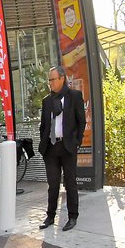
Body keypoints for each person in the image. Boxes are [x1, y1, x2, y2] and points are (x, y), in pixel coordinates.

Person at [38, 66, 86, 232]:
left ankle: (73, 216)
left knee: (70, 183)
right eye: (49, 80)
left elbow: (82, 121)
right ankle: (50, 216)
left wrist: (77, 142)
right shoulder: (47, 101)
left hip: (68, 147)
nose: (50, 83)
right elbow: (43, 125)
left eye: (52, 79)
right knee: (52, 184)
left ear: (62, 78)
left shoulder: (74, 96)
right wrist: (43, 141)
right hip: (51, 148)